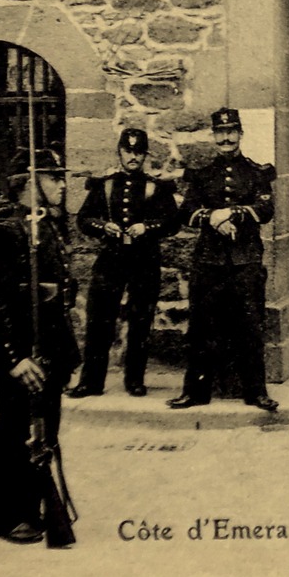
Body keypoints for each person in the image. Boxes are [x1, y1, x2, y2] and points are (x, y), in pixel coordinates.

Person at [0, 143, 80, 547]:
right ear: (30, 183)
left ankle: (36, 506)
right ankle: (10, 516)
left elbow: (64, 285)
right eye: (54, 177)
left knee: (44, 431)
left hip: (48, 346)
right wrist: (14, 359)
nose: (63, 184)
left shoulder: (46, 224)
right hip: (21, 352)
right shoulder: (4, 232)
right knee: (14, 429)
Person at [167, 108, 279, 413]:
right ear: (213, 136)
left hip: (245, 261)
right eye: (220, 133)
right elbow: (186, 211)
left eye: (231, 132)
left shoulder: (257, 172)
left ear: (241, 134)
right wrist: (211, 217)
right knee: (202, 327)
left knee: (251, 327)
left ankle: (256, 392)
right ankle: (195, 392)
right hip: (209, 261)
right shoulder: (203, 175)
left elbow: (266, 210)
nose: (226, 138)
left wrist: (233, 213)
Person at [69, 127, 180, 399]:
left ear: (145, 155)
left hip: (145, 259)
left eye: (138, 152)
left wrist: (149, 227)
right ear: (119, 151)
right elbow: (83, 218)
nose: (133, 157)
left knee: (141, 321)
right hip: (111, 259)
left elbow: (173, 222)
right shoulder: (105, 184)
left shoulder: (157, 185)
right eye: (128, 151)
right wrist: (102, 226)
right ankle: (91, 382)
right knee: (99, 321)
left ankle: (135, 380)